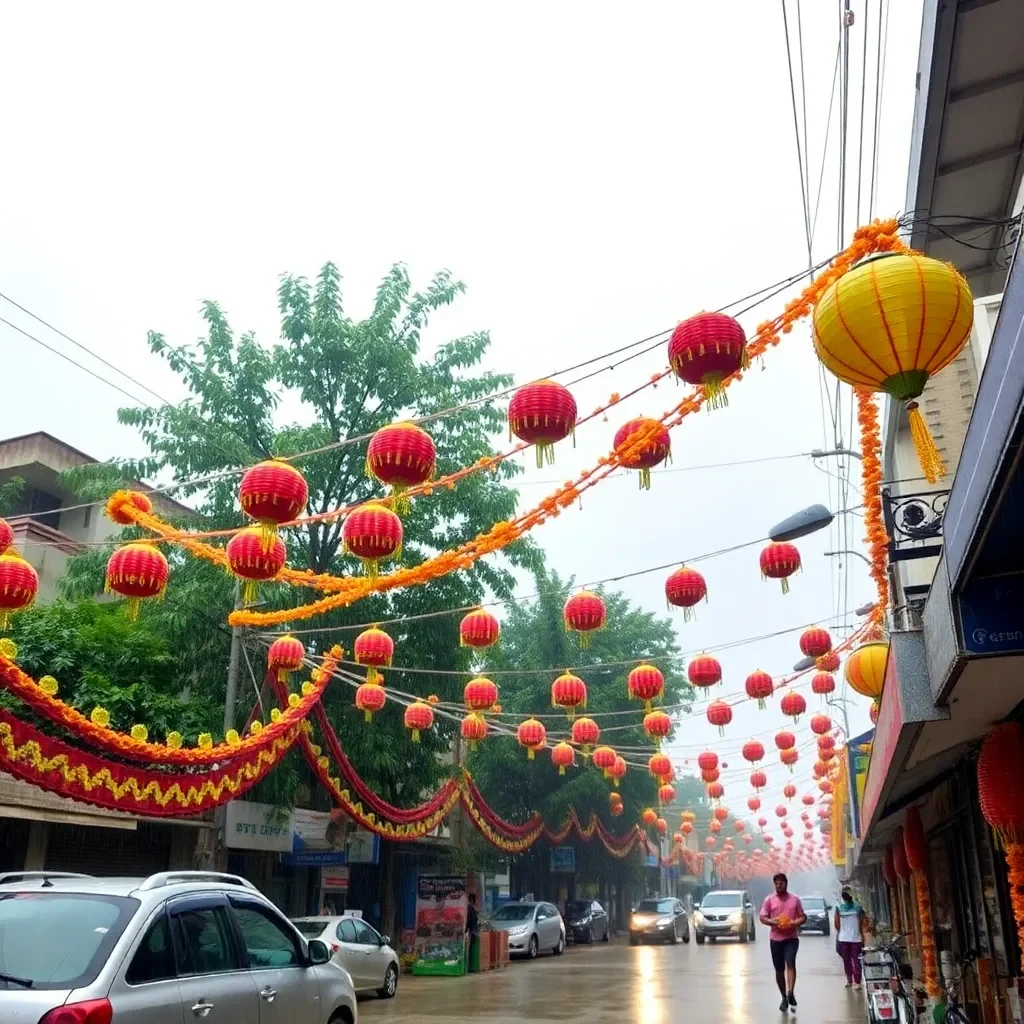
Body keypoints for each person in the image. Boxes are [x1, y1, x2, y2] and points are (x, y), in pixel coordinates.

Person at [760, 872, 807, 1013]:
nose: (779, 885)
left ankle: (791, 991)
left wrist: (793, 922)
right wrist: (772, 921)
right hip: (775, 939)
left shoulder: (795, 900)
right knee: (779, 970)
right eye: (776, 883)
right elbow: (762, 917)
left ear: (786, 884)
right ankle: (784, 997)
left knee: (790, 962)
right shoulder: (769, 900)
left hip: (791, 938)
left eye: (781, 883)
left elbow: (803, 917)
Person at [834, 888, 866, 987]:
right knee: (856, 960)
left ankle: (850, 980)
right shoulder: (857, 906)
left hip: (845, 938)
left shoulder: (839, 907)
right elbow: (862, 922)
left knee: (847, 960)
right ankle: (857, 981)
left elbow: (836, 923)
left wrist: (841, 931)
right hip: (854, 938)